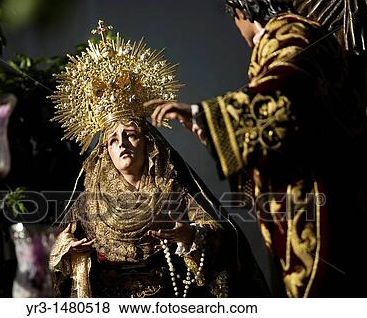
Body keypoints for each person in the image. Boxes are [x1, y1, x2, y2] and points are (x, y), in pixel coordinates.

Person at [145, 0, 367, 297]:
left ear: (241, 11)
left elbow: (283, 97)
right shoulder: (298, 35)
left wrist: (203, 115)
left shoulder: (289, 32)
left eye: (234, 21)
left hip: (318, 200)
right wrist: (210, 129)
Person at [48, 21, 269, 298]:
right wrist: (67, 252)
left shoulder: (175, 192)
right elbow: (54, 254)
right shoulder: (88, 203)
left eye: (130, 135)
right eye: (113, 141)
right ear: (105, 152)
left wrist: (189, 237)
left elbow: (224, 240)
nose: (123, 145)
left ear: (149, 143)